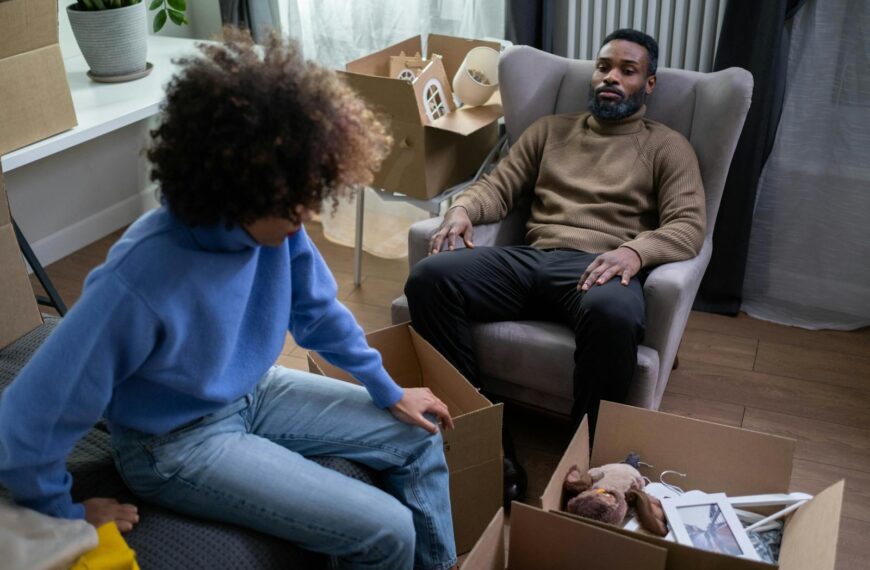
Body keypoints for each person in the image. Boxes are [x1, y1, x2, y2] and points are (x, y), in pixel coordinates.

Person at [0, 30, 459, 570]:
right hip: (170, 444)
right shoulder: (139, 278)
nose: (307, 215)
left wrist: (387, 388)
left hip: (251, 394)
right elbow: (24, 424)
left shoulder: (279, 226)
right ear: (233, 189)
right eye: (294, 204)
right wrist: (64, 515)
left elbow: (317, 313)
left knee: (418, 435)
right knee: (387, 532)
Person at [404, 29, 706, 504]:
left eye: (628, 71)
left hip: (601, 268)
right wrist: (462, 209)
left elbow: (689, 226)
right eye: (604, 66)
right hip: (531, 260)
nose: (611, 77)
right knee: (428, 278)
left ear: (649, 83)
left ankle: (582, 464)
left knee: (616, 313)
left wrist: (636, 252)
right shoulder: (549, 130)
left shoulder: (668, 147)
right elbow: (498, 186)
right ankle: (485, 440)